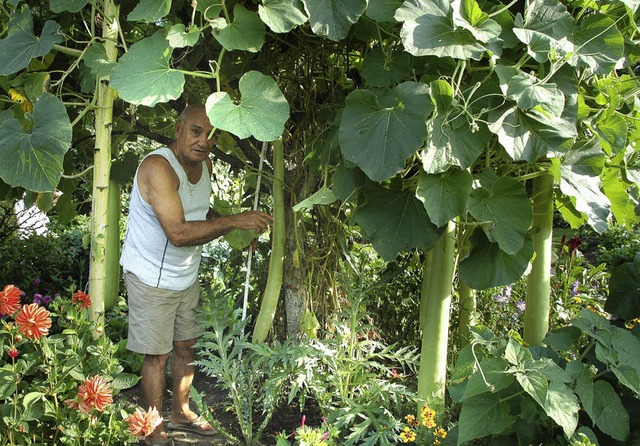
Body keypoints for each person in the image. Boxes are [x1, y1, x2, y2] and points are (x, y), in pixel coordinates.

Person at [120, 104, 272, 445]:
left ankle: (181, 412)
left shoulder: (204, 165)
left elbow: (200, 212)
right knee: (157, 356)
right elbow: (178, 232)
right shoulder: (159, 167)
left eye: (212, 136)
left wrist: (237, 233)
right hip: (151, 277)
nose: (204, 142)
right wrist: (234, 221)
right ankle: (153, 427)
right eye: (196, 131)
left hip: (184, 275)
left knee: (186, 346)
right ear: (178, 129)